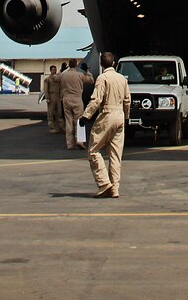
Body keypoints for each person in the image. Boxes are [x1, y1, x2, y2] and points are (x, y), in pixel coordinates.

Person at [82, 50, 131, 198]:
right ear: (114, 63)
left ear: (101, 64)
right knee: (115, 155)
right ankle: (115, 188)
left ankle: (104, 183)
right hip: (120, 115)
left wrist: (86, 116)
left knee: (93, 150)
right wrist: (126, 116)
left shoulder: (102, 78)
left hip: (107, 114)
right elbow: (127, 100)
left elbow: (96, 99)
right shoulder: (122, 79)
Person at [56, 59, 87, 149]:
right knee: (79, 121)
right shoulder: (80, 75)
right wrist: (87, 71)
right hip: (77, 99)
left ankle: (69, 144)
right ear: (76, 65)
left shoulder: (63, 75)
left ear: (69, 65)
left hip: (66, 99)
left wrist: (61, 70)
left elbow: (55, 78)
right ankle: (79, 140)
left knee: (68, 121)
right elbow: (91, 80)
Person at [43, 64, 63, 132]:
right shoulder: (47, 79)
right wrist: (47, 98)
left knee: (59, 112)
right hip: (51, 96)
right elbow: (46, 89)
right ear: (50, 70)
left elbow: (60, 87)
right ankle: (51, 127)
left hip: (57, 96)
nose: (54, 71)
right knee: (50, 113)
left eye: (55, 70)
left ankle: (61, 126)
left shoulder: (58, 78)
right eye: (53, 70)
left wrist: (61, 96)